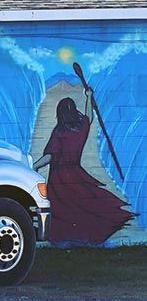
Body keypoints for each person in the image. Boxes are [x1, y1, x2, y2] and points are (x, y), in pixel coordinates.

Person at [33, 96, 134, 244]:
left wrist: (35, 166)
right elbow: (89, 117)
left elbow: (50, 156)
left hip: (59, 178)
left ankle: (67, 239)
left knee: (62, 210)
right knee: (83, 206)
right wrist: (88, 98)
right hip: (76, 173)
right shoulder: (81, 129)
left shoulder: (60, 131)